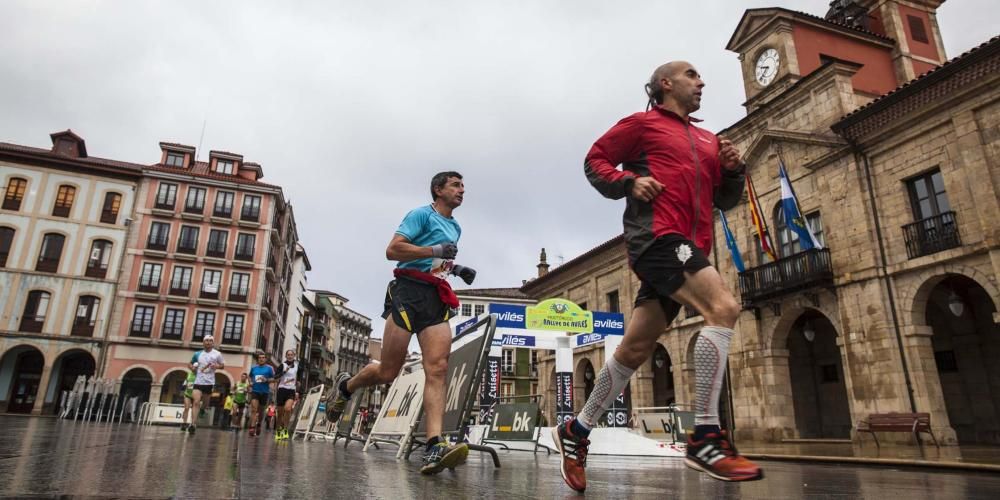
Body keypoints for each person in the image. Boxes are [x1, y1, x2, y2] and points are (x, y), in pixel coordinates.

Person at [552, 61, 762, 492]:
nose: (701, 81)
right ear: (666, 83)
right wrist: (629, 181)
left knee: (635, 349)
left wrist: (735, 169)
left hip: (690, 245)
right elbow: (595, 160)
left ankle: (577, 429)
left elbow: (727, 200)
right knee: (723, 307)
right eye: (692, 74)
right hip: (657, 238)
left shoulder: (708, 140)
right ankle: (705, 436)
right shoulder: (642, 125)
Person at [324, 171, 477, 475]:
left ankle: (435, 445)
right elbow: (393, 250)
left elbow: (437, 262)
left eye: (463, 186)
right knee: (388, 370)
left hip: (435, 295)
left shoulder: (456, 226)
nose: (462, 190)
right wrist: (435, 250)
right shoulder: (420, 215)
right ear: (438, 189)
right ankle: (346, 387)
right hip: (407, 291)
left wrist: (455, 267)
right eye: (456, 185)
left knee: (438, 368)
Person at [188, 335, 224, 435]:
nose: (208, 342)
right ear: (203, 343)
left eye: (210, 341)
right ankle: (193, 424)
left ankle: (203, 409)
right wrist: (192, 368)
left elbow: (222, 366)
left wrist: (216, 366)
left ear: (213, 343)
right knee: (196, 402)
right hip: (198, 381)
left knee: (205, 403)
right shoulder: (197, 354)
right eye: (206, 341)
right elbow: (190, 364)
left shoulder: (217, 354)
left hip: (209, 382)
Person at [248, 351, 276, 437]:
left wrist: (267, 380)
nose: (261, 359)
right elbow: (249, 377)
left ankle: (259, 423)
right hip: (255, 391)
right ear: (258, 359)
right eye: (260, 358)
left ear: (265, 359)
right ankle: (252, 426)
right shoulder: (254, 368)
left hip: (264, 392)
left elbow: (275, 378)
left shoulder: (269, 368)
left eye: (263, 358)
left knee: (261, 411)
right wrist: (250, 382)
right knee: (253, 409)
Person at [274, 349, 299, 441]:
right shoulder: (282, 365)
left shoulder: (297, 366)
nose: (290, 356)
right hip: (281, 390)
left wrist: (298, 391)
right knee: (280, 413)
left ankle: (285, 430)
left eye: (291, 355)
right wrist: (284, 371)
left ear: (294, 356)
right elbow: (275, 377)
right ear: (286, 356)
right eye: (288, 355)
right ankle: (278, 431)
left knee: (288, 409)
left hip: (291, 391)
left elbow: (298, 379)